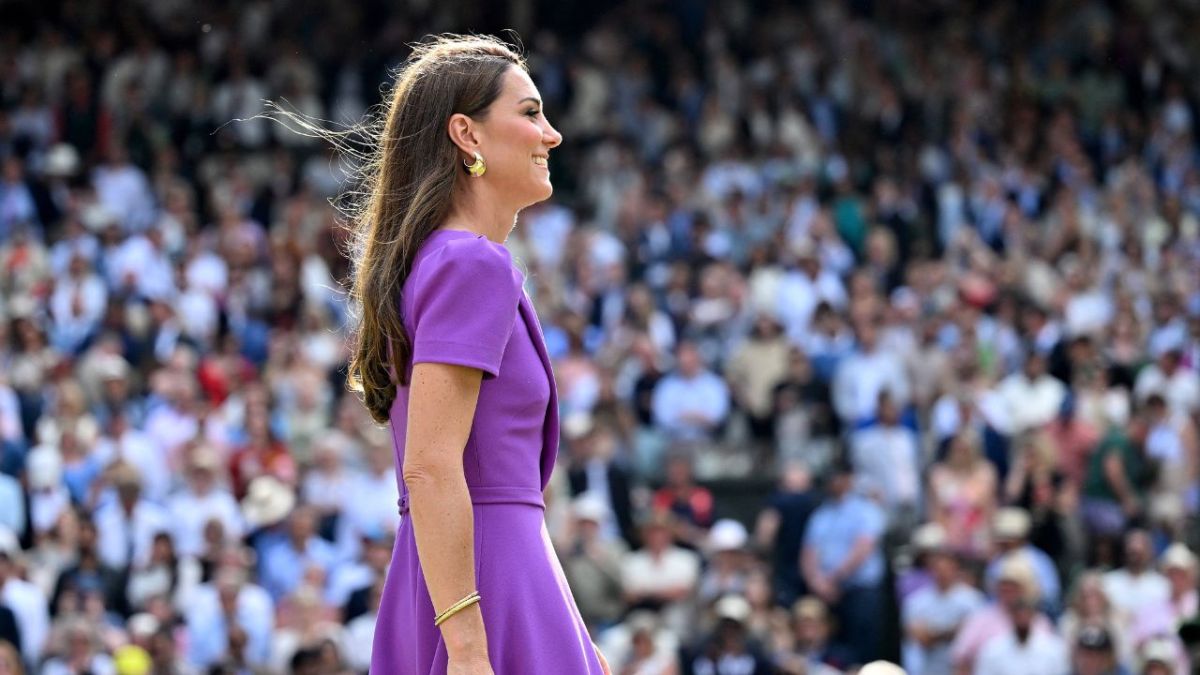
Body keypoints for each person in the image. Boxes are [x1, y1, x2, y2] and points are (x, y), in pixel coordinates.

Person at [306, 35, 605, 674]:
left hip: (458, 577)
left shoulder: (441, 261)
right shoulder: (471, 263)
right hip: (484, 585)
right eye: (529, 113)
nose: (551, 135)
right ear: (466, 135)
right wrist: (469, 648)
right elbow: (433, 467)